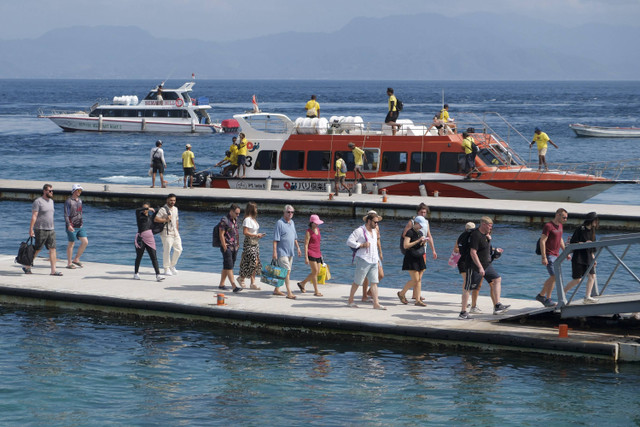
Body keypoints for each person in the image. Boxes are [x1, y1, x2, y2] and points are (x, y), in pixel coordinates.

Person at [467, 216, 510, 315]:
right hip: (477, 265)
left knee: (497, 280)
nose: (491, 228)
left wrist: (496, 252)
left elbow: (486, 251)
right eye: (490, 226)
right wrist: (480, 267)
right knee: (473, 287)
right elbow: (473, 252)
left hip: (487, 265)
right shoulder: (476, 235)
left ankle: (497, 305)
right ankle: (470, 308)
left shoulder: (486, 236)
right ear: (484, 224)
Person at [346, 212, 386, 310]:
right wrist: (361, 245)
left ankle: (376, 303)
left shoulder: (375, 231)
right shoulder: (360, 230)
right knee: (358, 282)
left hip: (373, 260)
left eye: (377, 222)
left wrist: (377, 259)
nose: (377, 224)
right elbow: (349, 241)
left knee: (374, 282)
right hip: (363, 259)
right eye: (375, 222)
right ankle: (350, 300)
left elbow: (374, 246)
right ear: (369, 221)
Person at [401, 203, 437, 301]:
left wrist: (433, 250)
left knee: (421, 273)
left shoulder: (426, 222)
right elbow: (405, 235)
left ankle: (415, 294)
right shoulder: (412, 222)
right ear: (417, 212)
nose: (423, 214)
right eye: (421, 212)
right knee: (417, 276)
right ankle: (416, 295)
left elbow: (429, 235)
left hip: (422, 249)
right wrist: (416, 240)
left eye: (425, 212)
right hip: (414, 250)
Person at [24, 184, 61, 276]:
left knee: (53, 249)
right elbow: (34, 216)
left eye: (52, 191)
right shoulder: (38, 202)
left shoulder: (51, 201)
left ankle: (53, 271)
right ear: (44, 191)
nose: (51, 192)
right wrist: (31, 229)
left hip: (51, 229)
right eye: (49, 191)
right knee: (37, 249)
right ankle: (27, 266)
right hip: (40, 229)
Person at [535, 208, 568, 307]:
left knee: (554, 277)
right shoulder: (548, 226)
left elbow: (560, 239)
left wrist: (566, 252)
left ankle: (543, 297)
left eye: (566, 218)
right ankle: (545, 297)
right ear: (557, 215)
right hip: (549, 255)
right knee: (554, 276)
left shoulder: (560, 226)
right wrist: (544, 257)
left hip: (557, 256)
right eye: (564, 217)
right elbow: (542, 241)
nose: (565, 219)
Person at [564, 211, 599, 304]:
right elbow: (573, 242)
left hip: (588, 256)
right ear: (591, 221)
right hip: (579, 257)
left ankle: (587, 297)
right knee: (577, 279)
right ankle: (563, 293)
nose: (596, 222)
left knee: (592, 276)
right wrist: (584, 243)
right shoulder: (580, 229)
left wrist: (593, 257)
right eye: (595, 220)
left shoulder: (592, 230)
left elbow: (593, 246)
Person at [397, 216, 430, 307]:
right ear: (416, 223)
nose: (421, 227)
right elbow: (406, 245)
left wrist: (422, 242)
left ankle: (418, 300)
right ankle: (402, 293)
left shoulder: (419, 233)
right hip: (411, 257)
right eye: (420, 225)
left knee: (419, 280)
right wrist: (418, 241)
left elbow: (418, 244)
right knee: (415, 279)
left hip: (418, 257)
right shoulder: (410, 232)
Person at [272, 205, 302, 299]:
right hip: (281, 252)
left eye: (292, 212)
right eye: (288, 212)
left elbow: (294, 237)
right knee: (287, 271)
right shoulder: (279, 223)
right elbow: (275, 240)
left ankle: (276, 289)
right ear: (284, 212)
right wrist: (275, 252)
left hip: (290, 252)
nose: (290, 214)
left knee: (282, 272)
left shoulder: (292, 222)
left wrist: (298, 248)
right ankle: (289, 293)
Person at [238, 201, 266, 290]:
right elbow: (245, 232)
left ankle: (250, 282)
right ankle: (243, 278)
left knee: (255, 262)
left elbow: (254, 231)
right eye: (255, 208)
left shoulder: (253, 219)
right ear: (252, 209)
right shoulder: (247, 219)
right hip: (249, 243)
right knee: (252, 262)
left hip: (255, 242)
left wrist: (258, 235)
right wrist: (256, 235)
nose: (257, 210)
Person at [133, 203, 164, 282]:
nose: (145, 210)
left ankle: (158, 275)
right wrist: (148, 209)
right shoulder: (139, 216)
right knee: (139, 256)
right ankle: (136, 273)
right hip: (141, 238)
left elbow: (158, 211)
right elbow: (137, 210)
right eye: (144, 208)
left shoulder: (151, 217)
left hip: (150, 239)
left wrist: (159, 210)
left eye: (146, 208)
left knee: (154, 257)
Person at [154, 193, 182, 277]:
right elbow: (156, 219)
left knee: (179, 249)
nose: (172, 202)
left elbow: (176, 220)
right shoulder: (163, 209)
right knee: (167, 250)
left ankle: (172, 265)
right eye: (171, 200)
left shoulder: (176, 209)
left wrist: (177, 230)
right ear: (167, 200)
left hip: (175, 232)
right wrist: (165, 219)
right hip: (166, 233)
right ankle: (166, 268)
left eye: (174, 200)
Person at [297, 214, 324, 297]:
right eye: (315, 223)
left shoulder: (318, 230)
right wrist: (306, 257)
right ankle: (316, 291)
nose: (317, 224)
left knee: (317, 272)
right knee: (315, 271)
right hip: (311, 253)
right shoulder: (308, 232)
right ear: (311, 223)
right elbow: (305, 244)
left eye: (317, 223)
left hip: (318, 253)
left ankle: (302, 283)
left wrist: (321, 254)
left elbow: (318, 243)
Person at [455, 222, 477, 319]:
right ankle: (465, 303)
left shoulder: (467, 237)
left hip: (464, 261)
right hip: (463, 262)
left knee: (467, 282)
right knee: (466, 282)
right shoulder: (464, 237)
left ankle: (465, 301)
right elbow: (456, 249)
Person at [361, 209, 384, 303]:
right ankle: (364, 295)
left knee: (381, 274)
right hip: (367, 253)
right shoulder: (364, 228)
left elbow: (378, 240)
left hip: (375, 253)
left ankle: (370, 291)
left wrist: (381, 252)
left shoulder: (377, 227)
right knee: (366, 276)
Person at [64, 184, 88, 270]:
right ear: (74, 191)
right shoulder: (68, 201)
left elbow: (80, 212)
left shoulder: (80, 201)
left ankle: (76, 259)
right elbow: (66, 215)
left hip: (80, 225)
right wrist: (68, 225)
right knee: (71, 243)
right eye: (78, 190)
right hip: (72, 226)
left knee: (85, 242)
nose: (79, 192)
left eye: (80, 191)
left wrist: (82, 222)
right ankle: (69, 263)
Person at [219, 204, 242, 292]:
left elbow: (236, 233)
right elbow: (221, 233)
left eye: (239, 213)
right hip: (227, 246)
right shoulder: (224, 220)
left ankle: (221, 284)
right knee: (229, 266)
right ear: (231, 211)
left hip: (235, 246)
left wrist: (238, 243)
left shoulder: (235, 220)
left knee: (227, 265)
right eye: (236, 213)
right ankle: (234, 286)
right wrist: (224, 245)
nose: (238, 215)